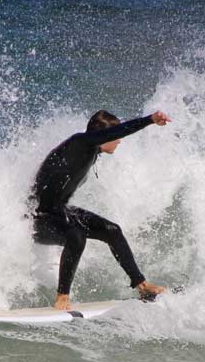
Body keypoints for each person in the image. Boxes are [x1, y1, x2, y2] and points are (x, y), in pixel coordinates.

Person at [29, 109, 171, 310]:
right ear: (104, 135)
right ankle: (62, 298)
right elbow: (118, 131)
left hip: (58, 212)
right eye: (116, 136)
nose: (119, 140)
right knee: (76, 236)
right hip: (36, 218)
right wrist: (150, 120)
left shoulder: (92, 150)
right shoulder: (80, 142)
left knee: (112, 230)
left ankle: (143, 286)